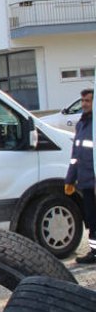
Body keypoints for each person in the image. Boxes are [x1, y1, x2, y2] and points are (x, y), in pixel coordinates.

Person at [65, 88, 96, 264]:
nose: (84, 104)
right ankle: (95, 252)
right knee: (91, 219)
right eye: (82, 100)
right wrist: (70, 179)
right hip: (86, 182)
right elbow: (75, 156)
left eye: (88, 101)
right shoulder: (82, 124)